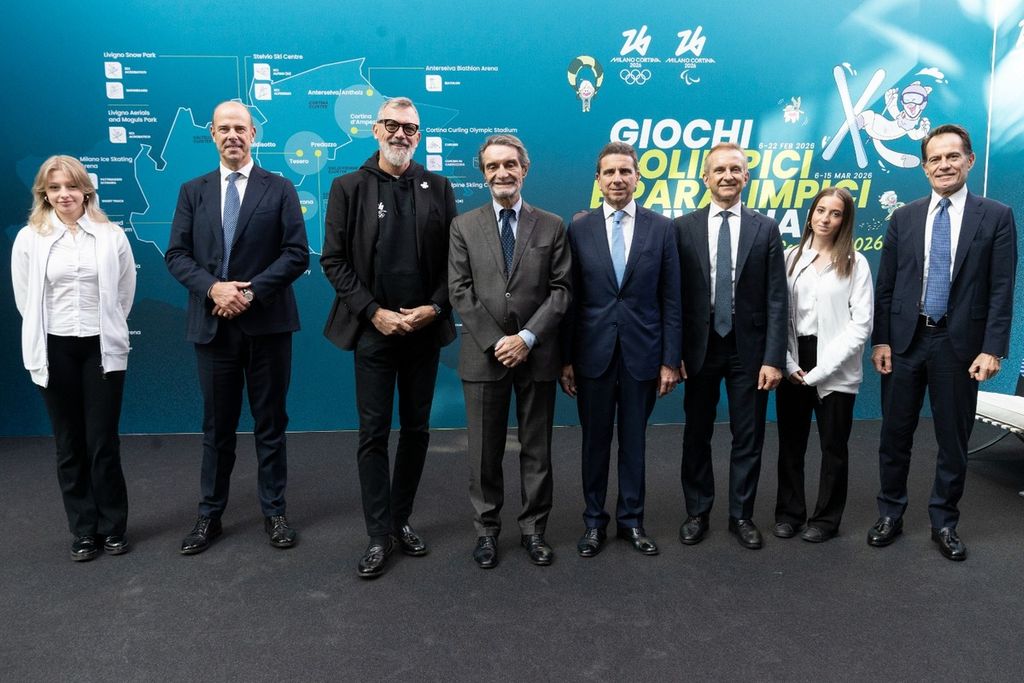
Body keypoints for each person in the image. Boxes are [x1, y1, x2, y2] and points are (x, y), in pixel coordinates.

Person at [321, 96, 457, 579]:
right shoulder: (348, 187)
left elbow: (455, 262)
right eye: (392, 125)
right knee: (373, 433)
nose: (401, 134)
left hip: (423, 331)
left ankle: (400, 521)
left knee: (417, 431)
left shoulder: (439, 187)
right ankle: (378, 535)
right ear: (376, 129)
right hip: (373, 331)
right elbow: (333, 260)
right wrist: (373, 312)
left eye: (410, 128)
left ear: (419, 135)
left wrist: (434, 308)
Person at [166, 100, 309, 555]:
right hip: (213, 328)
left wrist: (248, 293)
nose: (232, 135)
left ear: (253, 134)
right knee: (217, 428)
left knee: (271, 424)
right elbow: (177, 255)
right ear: (212, 134)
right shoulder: (193, 191)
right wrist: (214, 290)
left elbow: (296, 253)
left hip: (267, 326)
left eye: (240, 128)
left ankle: (275, 512)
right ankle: (209, 515)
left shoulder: (280, 188)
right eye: (224, 128)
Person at [869, 123, 1017, 561]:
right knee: (894, 435)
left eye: (952, 156)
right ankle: (890, 514)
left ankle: (944, 522)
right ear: (924, 167)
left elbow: (1001, 288)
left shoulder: (996, 216)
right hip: (905, 342)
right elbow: (886, 286)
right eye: (935, 158)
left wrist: (993, 348)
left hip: (960, 347)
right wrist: (881, 341)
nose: (944, 165)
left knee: (953, 440)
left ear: (970, 160)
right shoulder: (905, 217)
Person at [449, 134, 572, 569]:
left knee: (537, 449)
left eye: (509, 164)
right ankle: (486, 531)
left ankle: (534, 530)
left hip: (536, 356)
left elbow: (561, 290)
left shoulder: (552, 225)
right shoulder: (464, 226)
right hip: (484, 356)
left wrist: (527, 338)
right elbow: (459, 290)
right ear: (483, 174)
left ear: (525, 168)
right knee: (484, 452)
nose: (502, 173)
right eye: (492, 166)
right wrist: (498, 340)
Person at [11, 155, 136, 561]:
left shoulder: (111, 235)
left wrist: (108, 327)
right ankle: (83, 530)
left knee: (102, 442)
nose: (64, 194)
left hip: (101, 348)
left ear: (86, 190)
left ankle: (113, 527)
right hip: (54, 349)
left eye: (71, 186)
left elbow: (124, 292)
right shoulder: (30, 238)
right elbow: (25, 299)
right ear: (44, 194)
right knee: (69, 443)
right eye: (54, 188)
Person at [560, 141, 681, 558]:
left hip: (642, 356)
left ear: (638, 178)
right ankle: (594, 523)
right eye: (609, 172)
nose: (617, 179)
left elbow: (671, 299)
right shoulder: (579, 228)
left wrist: (670, 360)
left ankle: (632, 521)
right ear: (598, 180)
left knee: (634, 444)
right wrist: (566, 359)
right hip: (591, 355)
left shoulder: (662, 228)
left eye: (625, 171)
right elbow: (570, 299)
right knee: (594, 444)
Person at [674, 142, 787, 550]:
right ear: (705, 178)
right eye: (719, 170)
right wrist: (674, 353)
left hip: (749, 350)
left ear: (746, 177)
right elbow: (673, 297)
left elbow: (777, 298)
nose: (727, 176)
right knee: (696, 434)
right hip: (699, 348)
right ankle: (697, 512)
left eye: (735, 169)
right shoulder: (682, 228)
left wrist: (773, 358)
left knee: (748, 436)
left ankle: (741, 515)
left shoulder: (766, 228)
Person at [773, 188, 873, 543]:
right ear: (810, 214)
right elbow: (778, 315)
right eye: (820, 210)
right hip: (793, 360)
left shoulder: (856, 263)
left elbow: (861, 324)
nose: (825, 219)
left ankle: (826, 520)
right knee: (791, 444)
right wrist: (788, 363)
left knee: (833, 447)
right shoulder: (789, 257)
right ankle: (789, 514)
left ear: (845, 220)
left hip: (836, 364)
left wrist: (820, 371)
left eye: (835, 213)